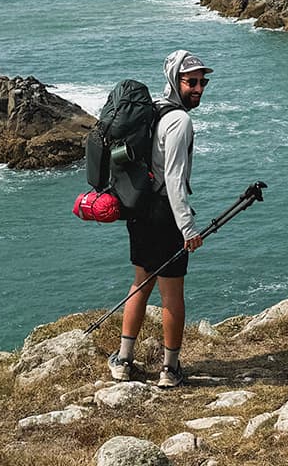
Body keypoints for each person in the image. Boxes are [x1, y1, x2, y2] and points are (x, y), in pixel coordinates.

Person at [109, 49, 211, 388]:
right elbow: (175, 178)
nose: (198, 88)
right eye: (191, 82)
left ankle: (123, 361)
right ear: (176, 80)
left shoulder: (154, 110)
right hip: (166, 214)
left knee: (141, 283)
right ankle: (169, 369)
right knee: (172, 294)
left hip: (139, 211)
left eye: (202, 82)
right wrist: (188, 228)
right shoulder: (180, 121)